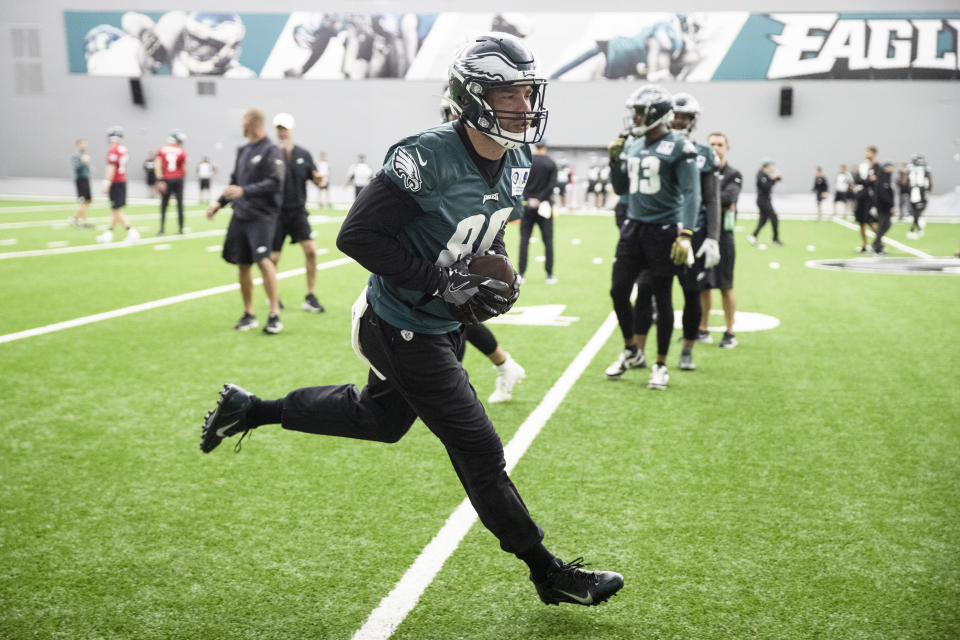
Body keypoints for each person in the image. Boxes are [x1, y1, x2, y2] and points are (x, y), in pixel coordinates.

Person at [199, 33, 623, 607]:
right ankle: (547, 573)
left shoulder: (518, 160)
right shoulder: (426, 155)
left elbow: (480, 235)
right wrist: (440, 281)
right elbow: (358, 236)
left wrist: (494, 278)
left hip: (438, 323)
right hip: (400, 322)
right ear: (473, 98)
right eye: (509, 94)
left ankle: (251, 409)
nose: (524, 106)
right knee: (479, 448)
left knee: (381, 420)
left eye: (527, 92)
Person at [605, 85, 699, 390]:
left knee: (662, 296)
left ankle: (660, 364)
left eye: (639, 111)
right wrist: (614, 161)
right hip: (633, 227)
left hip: (663, 230)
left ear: (655, 113)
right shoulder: (633, 144)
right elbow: (621, 188)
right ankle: (632, 350)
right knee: (618, 290)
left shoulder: (680, 147)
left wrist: (686, 233)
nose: (633, 117)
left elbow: (691, 193)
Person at [440, 89, 526, 403]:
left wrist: (499, 260)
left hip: (462, 260)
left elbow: (498, 221)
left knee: (461, 319)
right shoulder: (437, 157)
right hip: (442, 261)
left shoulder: (508, 158)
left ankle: (464, 391)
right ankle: (503, 365)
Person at [205, 108, 285, 334]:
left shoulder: (272, 150)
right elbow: (234, 184)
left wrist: (245, 191)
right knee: (242, 263)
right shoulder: (243, 150)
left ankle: (274, 314)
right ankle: (249, 313)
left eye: (243, 122)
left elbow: (275, 183)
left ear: (252, 123)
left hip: (262, 216)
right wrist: (218, 204)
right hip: (240, 214)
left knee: (263, 260)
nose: (241, 126)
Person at [665, 92, 720, 372]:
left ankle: (687, 348)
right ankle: (641, 350)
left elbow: (711, 198)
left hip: (693, 230)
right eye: (675, 115)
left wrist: (712, 236)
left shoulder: (704, 154)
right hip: (661, 229)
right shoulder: (652, 147)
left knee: (691, 292)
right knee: (653, 291)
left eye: (684, 117)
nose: (678, 121)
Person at [270, 112, 325, 314]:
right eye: (278, 129)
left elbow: (315, 178)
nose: (282, 132)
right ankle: (274, 296)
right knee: (273, 258)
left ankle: (310, 296)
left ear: (291, 130)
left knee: (311, 250)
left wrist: (320, 180)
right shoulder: (270, 153)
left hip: (298, 211)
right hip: (276, 213)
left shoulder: (303, 154)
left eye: (284, 128)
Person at [699, 132, 742, 349]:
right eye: (712, 144)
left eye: (720, 144)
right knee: (703, 284)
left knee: (726, 285)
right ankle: (703, 328)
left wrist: (709, 198)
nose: (716, 148)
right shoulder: (702, 170)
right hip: (703, 234)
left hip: (724, 237)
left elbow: (727, 198)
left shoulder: (733, 174)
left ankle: (729, 331)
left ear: (727, 147)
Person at [518, 141, 559, 284]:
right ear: (545, 147)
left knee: (524, 241)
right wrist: (540, 199)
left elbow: (520, 182)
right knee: (548, 241)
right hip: (545, 206)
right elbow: (552, 185)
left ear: (535, 147)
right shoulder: (551, 163)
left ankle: (521, 274)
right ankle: (549, 275)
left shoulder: (526, 160)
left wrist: (530, 198)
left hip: (527, 206)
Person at [97, 126, 138, 243]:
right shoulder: (123, 149)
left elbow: (111, 168)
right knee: (114, 209)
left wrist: (106, 183)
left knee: (116, 209)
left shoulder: (113, 150)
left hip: (116, 182)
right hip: (122, 180)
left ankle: (131, 230)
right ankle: (109, 233)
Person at [155, 130, 188, 235]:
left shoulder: (162, 150)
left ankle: (162, 229)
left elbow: (158, 165)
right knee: (179, 204)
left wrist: (160, 179)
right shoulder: (181, 151)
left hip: (166, 179)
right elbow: (184, 168)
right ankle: (181, 229)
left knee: (164, 205)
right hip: (178, 179)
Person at [747, 160, 782, 246]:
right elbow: (766, 187)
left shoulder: (765, 175)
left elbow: (773, 181)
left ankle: (753, 236)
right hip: (763, 201)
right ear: (765, 166)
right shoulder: (761, 175)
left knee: (763, 220)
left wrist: (776, 178)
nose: (771, 168)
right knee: (774, 217)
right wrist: (773, 178)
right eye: (769, 166)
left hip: (766, 200)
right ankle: (775, 239)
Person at [852, 146, 880, 253]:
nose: (867, 154)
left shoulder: (876, 166)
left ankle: (878, 243)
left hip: (871, 197)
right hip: (861, 197)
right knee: (861, 222)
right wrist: (867, 180)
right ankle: (864, 245)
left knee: (871, 221)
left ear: (874, 153)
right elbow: (857, 179)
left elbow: (874, 181)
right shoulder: (863, 165)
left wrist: (866, 181)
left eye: (868, 152)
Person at [871, 163, 896, 255]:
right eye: (890, 167)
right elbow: (883, 194)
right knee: (883, 225)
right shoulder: (882, 178)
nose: (892, 169)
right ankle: (877, 245)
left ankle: (876, 243)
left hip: (884, 206)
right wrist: (891, 205)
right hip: (882, 206)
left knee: (886, 225)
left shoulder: (887, 178)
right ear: (885, 168)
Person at [69, 139, 94, 229]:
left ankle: (75, 218)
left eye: (85, 144)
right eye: (82, 144)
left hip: (86, 179)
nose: (84, 146)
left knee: (88, 201)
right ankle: (84, 223)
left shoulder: (85, 155)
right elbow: (76, 168)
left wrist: (89, 167)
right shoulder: (76, 156)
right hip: (80, 180)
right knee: (83, 201)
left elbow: (85, 167)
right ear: (78, 146)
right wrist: (83, 162)